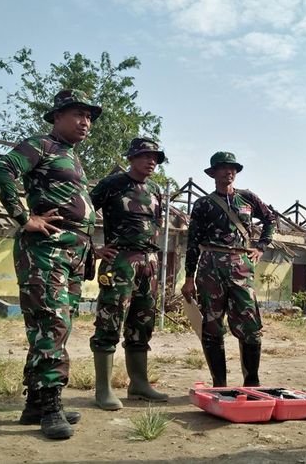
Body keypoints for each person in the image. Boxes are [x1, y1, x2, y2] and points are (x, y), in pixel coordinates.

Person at [0, 89, 100, 440]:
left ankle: (36, 402)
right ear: (57, 116)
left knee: (54, 326)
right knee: (51, 323)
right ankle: (50, 406)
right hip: (45, 251)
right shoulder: (41, 145)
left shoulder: (70, 156)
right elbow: (2, 171)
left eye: (89, 117)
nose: (86, 122)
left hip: (70, 254)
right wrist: (24, 217)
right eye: (78, 115)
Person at [181, 152, 276, 388]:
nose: (229, 172)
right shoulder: (203, 204)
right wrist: (189, 278)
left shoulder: (248, 198)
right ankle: (219, 384)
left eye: (232, 168)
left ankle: (252, 382)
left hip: (241, 266)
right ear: (213, 173)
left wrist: (261, 247)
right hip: (210, 266)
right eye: (223, 168)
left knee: (251, 326)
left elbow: (270, 220)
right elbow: (192, 242)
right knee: (212, 327)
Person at [89, 137, 169, 410]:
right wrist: (93, 248)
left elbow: (155, 224)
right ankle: (104, 390)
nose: (151, 162)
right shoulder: (112, 184)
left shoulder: (156, 189)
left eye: (156, 158)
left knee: (142, 322)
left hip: (149, 263)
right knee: (109, 321)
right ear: (132, 157)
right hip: (119, 262)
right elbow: (83, 212)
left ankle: (139, 384)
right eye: (146, 156)